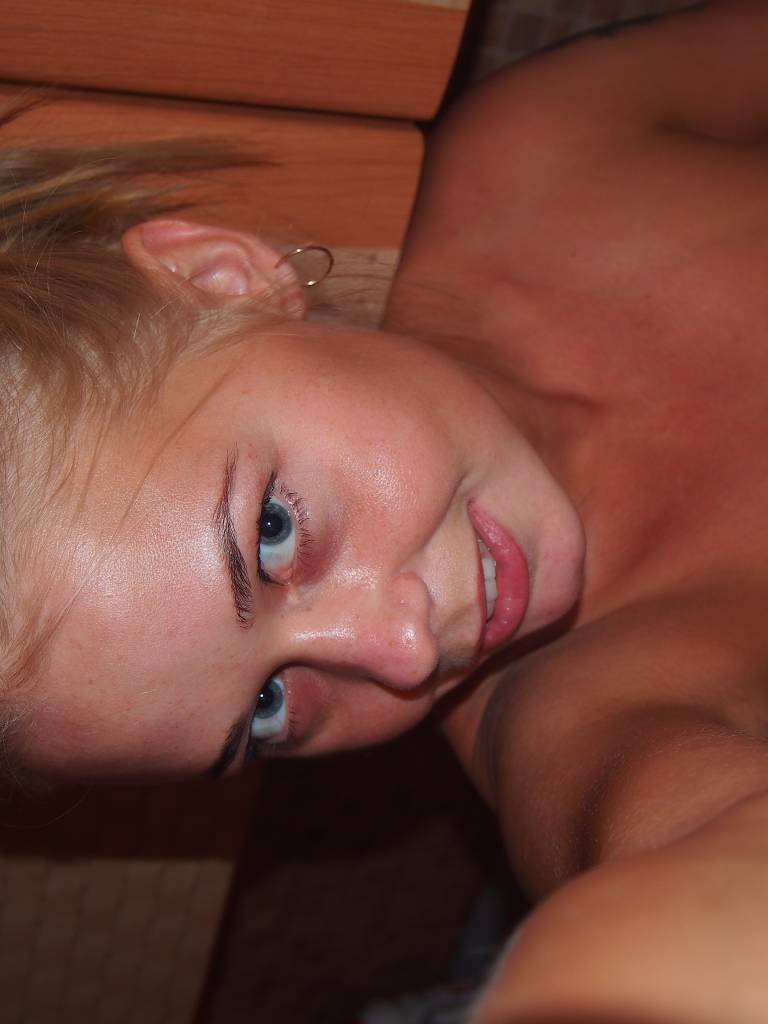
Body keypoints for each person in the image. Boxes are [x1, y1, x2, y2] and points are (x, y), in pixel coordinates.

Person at [3, 1, 768, 1019]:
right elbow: (684, 846)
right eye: (267, 711)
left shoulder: (540, 150)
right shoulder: (574, 711)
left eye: (273, 533)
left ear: (220, 280)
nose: (402, 652)